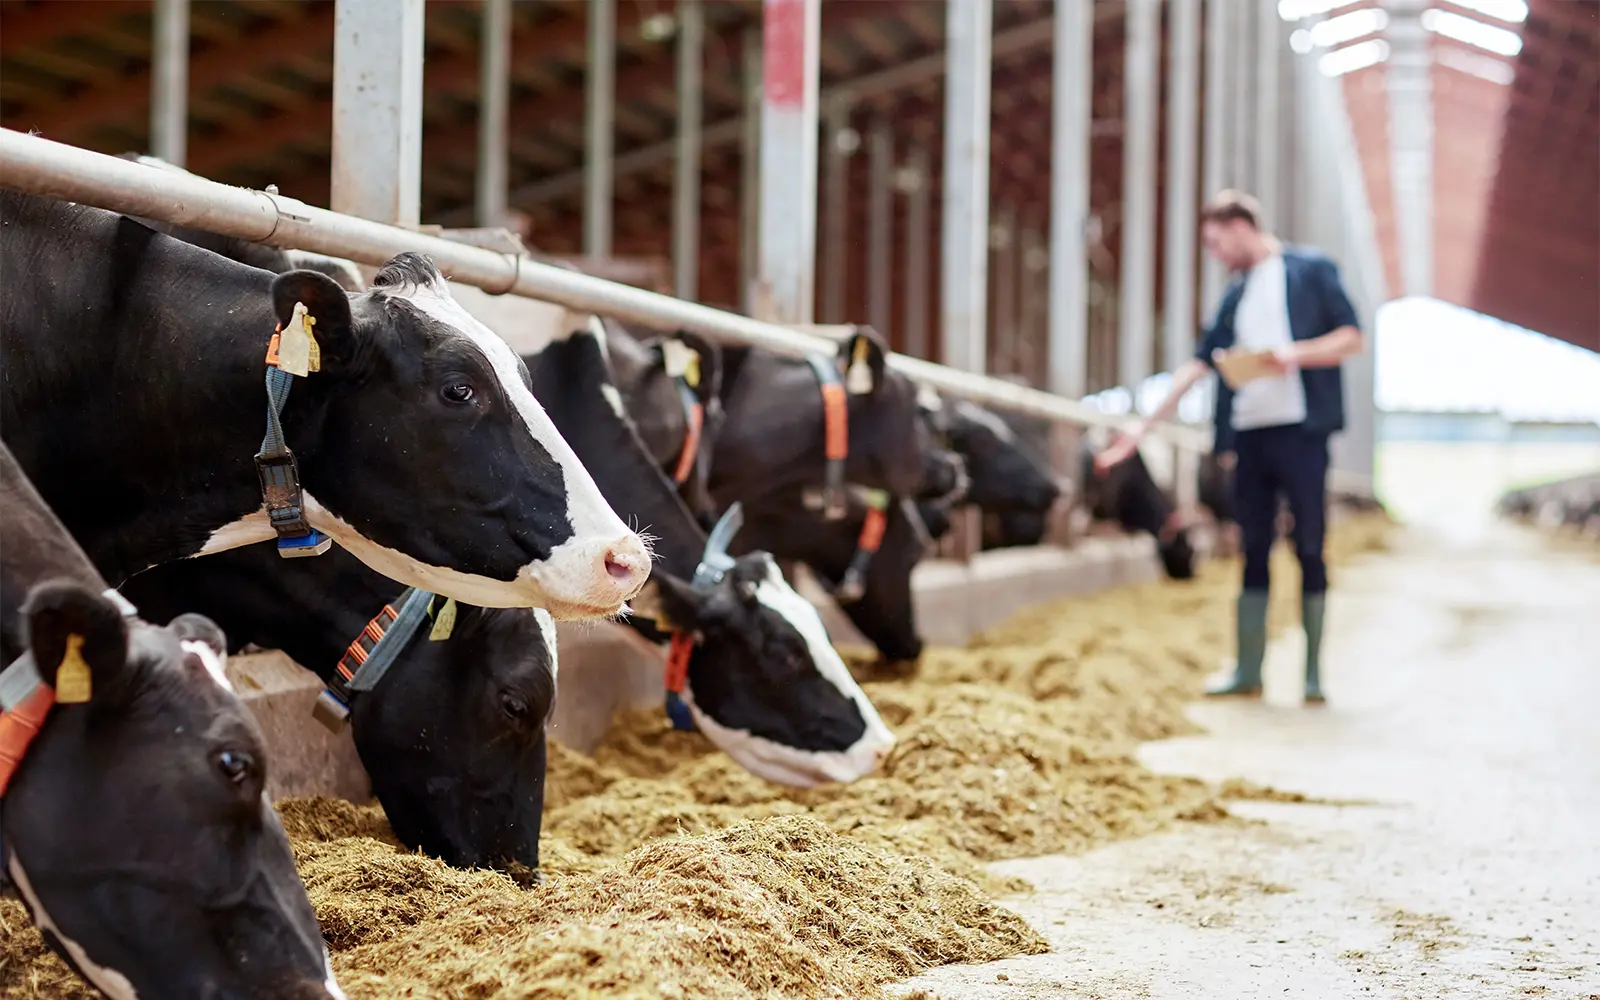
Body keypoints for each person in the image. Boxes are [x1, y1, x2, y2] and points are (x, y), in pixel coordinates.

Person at [1095, 190, 1364, 704]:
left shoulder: (1310, 271)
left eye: (1217, 243)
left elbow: (1352, 337)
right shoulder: (1235, 296)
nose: (1215, 255)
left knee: (1310, 544)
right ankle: (1248, 669)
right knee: (1252, 548)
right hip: (1250, 437)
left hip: (1302, 433)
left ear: (1242, 226)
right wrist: (1140, 430)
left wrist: (1293, 355)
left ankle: (1312, 675)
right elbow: (1197, 366)